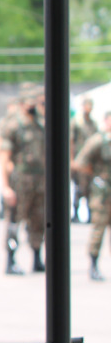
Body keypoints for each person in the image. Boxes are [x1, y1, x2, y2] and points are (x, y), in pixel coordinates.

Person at [0, 85, 45, 274]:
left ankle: (37, 256)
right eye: (29, 103)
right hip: (20, 179)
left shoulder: (42, 124)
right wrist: (5, 186)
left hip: (40, 180)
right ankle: (11, 259)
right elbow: (4, 157)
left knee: (39, 219)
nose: (32, 107)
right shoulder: (13, 125)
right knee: (15, 220)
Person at [74, 111, 111, 280]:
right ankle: (93, 265)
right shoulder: (97, 141)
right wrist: (95, 175)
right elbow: (80, 163)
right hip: (102, 195)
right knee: (99, 230)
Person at [71, 96, 98, 223]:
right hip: (79, 160)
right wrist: (71, 160)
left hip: (89, 162)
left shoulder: (92, 124)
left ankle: (89, 213)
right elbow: (71, 141)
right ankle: (75, 213)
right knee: (79, 188)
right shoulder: (77, 122)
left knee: (89, 188)